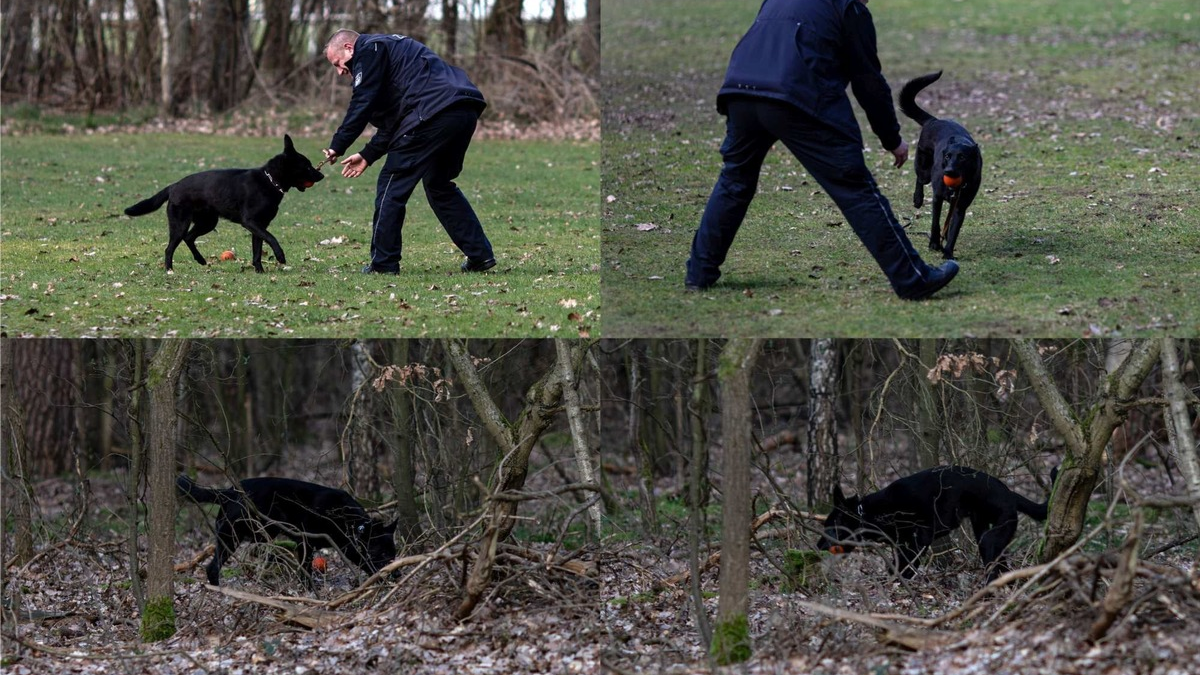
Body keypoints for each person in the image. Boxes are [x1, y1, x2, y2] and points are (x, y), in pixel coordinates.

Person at [685, 0, 958, 300]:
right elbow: (868, 81)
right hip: (796, 93)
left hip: (741, 89)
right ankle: (913, 279)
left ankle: (699, 274)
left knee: (734, 181)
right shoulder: (850, 8)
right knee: (855, 188)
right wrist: (891, 138)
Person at [322, 30, 495, 275]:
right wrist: (368, 154)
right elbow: (397, 119)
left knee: (391, 186)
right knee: (439, 184)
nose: (340, 71)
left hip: (433, 114)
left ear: (349, 48)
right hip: (462, 109)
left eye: (337, 63)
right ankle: (480, 255)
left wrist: (338, 144)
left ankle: (383, 264)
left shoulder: (370, 49)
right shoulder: (395, 55)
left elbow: (363, 102)